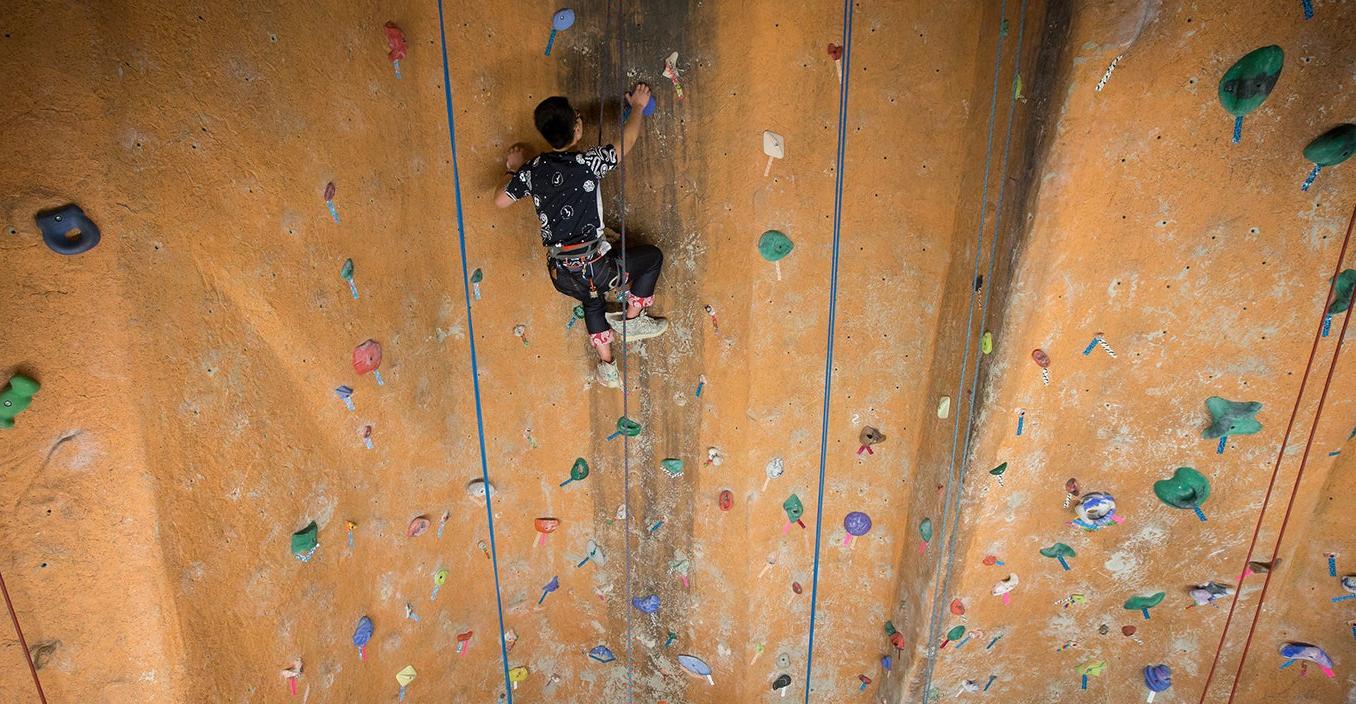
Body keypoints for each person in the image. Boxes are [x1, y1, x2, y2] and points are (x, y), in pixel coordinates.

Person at [493, 83, 667, 389]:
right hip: (598, 268)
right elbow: (627, 139)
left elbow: (500, 200)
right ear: (578, 130)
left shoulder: (533, 170)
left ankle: (608, 365)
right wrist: (638, 107)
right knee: (651, 259)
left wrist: (515, 170)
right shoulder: (588, 163)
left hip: (563, 275)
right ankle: (632, 316)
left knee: (591, 299)